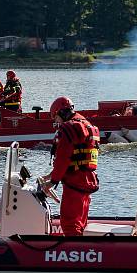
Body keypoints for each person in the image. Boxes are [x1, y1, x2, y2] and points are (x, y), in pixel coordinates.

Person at [41, 97, 100, 236]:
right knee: (80, 223)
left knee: (69, 224)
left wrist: (52, 182)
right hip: (86, 181)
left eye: (55, 117)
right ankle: (83, 252)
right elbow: (76, 157)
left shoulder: (69, 127)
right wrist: (51, 175)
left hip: (74, 183)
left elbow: (63, 157)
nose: (56, 122)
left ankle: (73, 254)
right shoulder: (87, 125)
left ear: (61, 113)